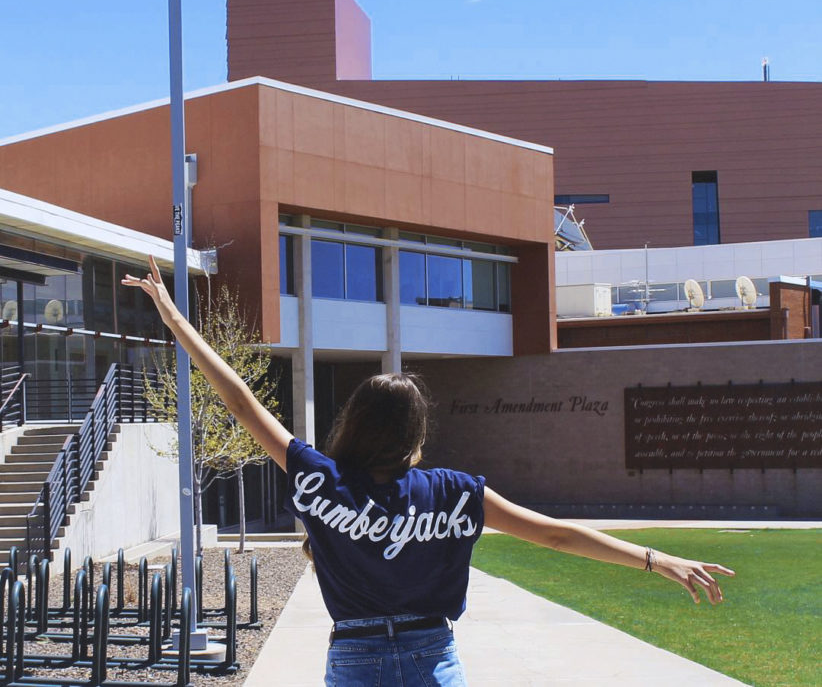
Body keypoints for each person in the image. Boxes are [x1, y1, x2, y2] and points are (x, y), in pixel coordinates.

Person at [123, 257, 734, 686]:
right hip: (431, 659)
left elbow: (241, 404)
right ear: (416, 435)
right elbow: (552, 533)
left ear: (355, 424)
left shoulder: (321, 478)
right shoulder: (453, 493)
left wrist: (175, 321)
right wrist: (657, 560)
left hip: (356, 660)